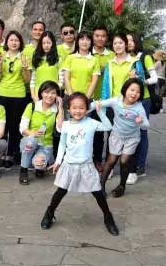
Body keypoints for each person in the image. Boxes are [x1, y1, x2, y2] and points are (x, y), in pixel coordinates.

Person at [41, 93, 118, 236]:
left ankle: (108, 217)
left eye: (81, 108)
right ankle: (49, 213)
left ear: (87, 109)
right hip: (69, 165)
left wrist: (100, 112)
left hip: (86, 166)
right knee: (60, 191)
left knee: (98, 192)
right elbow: (62, 145)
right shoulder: (66, 125)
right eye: (74, 108)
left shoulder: (91, 123)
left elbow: (108, 126)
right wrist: (58, 161)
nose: (78, 111)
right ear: (69, 109)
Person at [96, 78, 148, 198]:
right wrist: (83, 107)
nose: (134, 94)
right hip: (117, 135)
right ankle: (100, 186)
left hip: (132, 138)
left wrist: (141, 122)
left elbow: (146, 125)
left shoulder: (139, 107)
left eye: (138, 92)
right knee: (111, 160)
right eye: (132, 90)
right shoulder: (116, 101)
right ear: (125, 90)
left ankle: (122, 186)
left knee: (124, 161)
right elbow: (98, 104)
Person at [0, 30, 30, 168]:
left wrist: (25, 67)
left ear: (20, 42)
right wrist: (0, 64)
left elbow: (27, 80)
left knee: (14, 127)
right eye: (11, 40)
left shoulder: (24, 57)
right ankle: (0, 154)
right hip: (2, 94)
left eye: (17, 40)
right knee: (2, 125)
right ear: (7, 42)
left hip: (18, 95)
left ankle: (11, 154)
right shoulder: (1, 56)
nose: (14, 43)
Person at [19, 81, 64, 185]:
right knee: (31, 141)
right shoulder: (32, 106)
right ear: (41, 93)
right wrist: (33, 133)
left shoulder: (57, 110)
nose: (49, 95)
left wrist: (60, 108)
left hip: (45, 145)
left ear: (57, 96)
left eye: (53, 93)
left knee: (39, 164)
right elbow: (22, 128)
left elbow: (60, 129)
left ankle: (37, 166)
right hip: (29, 141)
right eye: (46, 92)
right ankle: (23, 170)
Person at [130, 37, 158, 182]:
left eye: (131, 40)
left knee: (142, 131)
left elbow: (154, 78)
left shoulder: (144, 57)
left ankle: (140, 165)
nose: (128, 43)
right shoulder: (125, 57)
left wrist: (140, 81)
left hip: (143, 99)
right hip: (128, 99)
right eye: (126, 40)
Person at [91, 25, 114, 170]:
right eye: (97, 35)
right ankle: (94, 159)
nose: (100, 38)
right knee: (93, 132)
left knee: (107, 131)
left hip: (108, 100)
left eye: (103, 36)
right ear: (93, 37)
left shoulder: (112, 55)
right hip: (91, 98)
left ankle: (105, 160)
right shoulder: (88, 53)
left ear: (107, 38)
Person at [62, 32, 100, 101]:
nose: (85, 42)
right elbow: (66, 79)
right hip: (69, 97)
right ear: (77, 42)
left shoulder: (95, 60)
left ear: (91, 43)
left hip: (87, 98)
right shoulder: (70, 58)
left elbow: (94, 81)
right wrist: (72, 97)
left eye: (88, 40)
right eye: (82, 39)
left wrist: (86, 99)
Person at [30, 31, 62, 103]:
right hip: (38, 95)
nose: (46, 45)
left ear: (53, 44)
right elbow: (33, 80)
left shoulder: (58, 59)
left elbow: (61, 80)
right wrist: (33, 96)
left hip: (52, 96)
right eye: (43, 43)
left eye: (48, 43)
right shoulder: (36, 59)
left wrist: (56, 94)